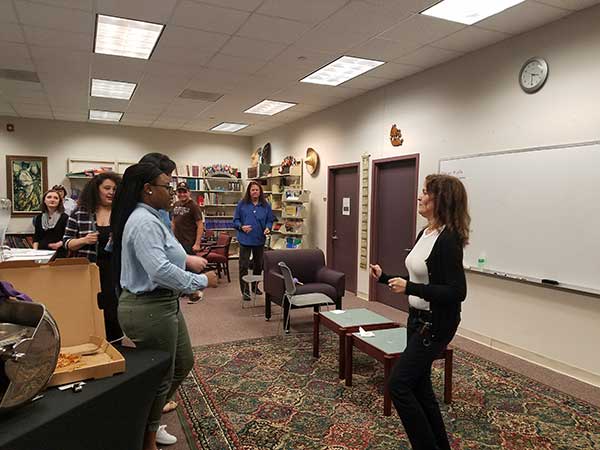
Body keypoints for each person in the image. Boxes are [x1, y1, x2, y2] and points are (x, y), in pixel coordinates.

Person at [110, 163, 218, 450]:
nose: (171, 192)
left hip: (163, 304)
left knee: (183, 362)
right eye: (166, 186)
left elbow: (165, 260)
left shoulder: (152, 216)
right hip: (149, 308)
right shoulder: (143, 221)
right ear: (148, 189)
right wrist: (200, 281)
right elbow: (159, 270)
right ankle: (145, 437)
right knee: (161, 375)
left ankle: (146, 417)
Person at [369, 174, 470, 450]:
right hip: (416, 320)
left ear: (442, 200)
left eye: (426, 193)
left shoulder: (448, 240)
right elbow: (421, 279)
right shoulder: (425, 233)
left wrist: (410, 287)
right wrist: (385, 277)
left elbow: (456, 291)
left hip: (436, 325)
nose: (420, 197)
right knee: (421, 388)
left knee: (398, 385)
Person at [63, 172, 123, 343]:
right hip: (89, 270)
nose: (111, 192)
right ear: (96, 190)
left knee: (113, 310)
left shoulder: (121, 213)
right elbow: (66, 242)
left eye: (115, 189)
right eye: (107, 188)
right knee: (90, 309)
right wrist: (84, 240)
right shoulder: (80, 212)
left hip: (115, 270)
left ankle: (115, 346)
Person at [233, 181, 275, 301]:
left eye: (257, 190)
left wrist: (268, 227)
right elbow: (235, 221)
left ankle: (255, 286)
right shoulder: (242, 204)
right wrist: (241, 227)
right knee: (243, 266)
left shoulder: (265, 205)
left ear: (260, 191)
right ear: (249, 192)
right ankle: (245, 291)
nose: (255, 192)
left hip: (259, 239)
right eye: (253, 190)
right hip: (245, 239)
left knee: (258, 265)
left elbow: (270, 220)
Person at [33, 189, 68, 258]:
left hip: (58, 253)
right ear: (44, 201)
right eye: (49, 197)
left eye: (56, 198)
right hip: (41, 253)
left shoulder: (65, 217)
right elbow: (36, 238)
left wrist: (58, 244)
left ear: (59, 202)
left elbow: (68, 237)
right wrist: (34, 253)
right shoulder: (38, 218)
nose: (52, 200)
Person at [172, 182, 204, 255]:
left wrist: (197, 244)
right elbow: (173, 222)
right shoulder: (176, 204)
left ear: (189, 193)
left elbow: (200, 225)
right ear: (176, 193)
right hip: (177, 242)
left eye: (185, 192)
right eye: (179, 192)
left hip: (189, 243)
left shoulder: (194, 206)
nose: (182, 194)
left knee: (188, 265)